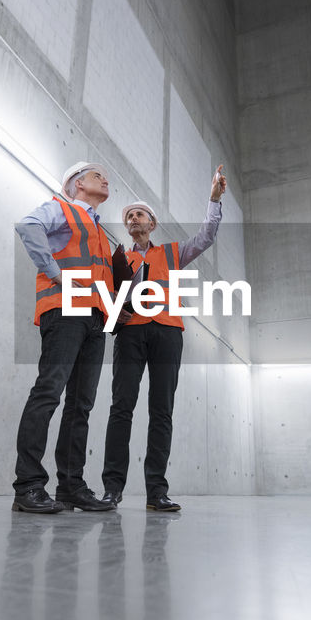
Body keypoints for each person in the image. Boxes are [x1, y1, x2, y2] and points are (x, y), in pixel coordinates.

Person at [101, 165, 227, 513]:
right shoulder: (116, 259)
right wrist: (115, 312)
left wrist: (214, 201)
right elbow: (106, 299)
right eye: (128, 216)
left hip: (168, 332)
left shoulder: (172, 253)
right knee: (120, 408)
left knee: (162, 411)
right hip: (129, 334)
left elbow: (206, 237)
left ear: (151, 223)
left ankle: (156, 491)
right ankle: (112, 489)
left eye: (139, 214)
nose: (133, 219)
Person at [13, 162, 118, 514]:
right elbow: (27, 226)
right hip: (65, 309)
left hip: (95, 318)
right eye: (95, 175)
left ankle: (71, 487)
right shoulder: (62, 207)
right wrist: (56, 275)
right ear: (76, 185)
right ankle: (28, 487)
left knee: (80, 405)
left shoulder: (100, 230)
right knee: (48, 393)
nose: (104, 178)